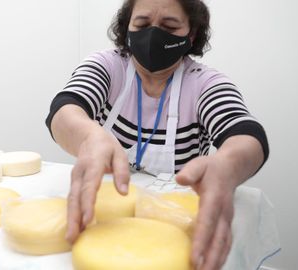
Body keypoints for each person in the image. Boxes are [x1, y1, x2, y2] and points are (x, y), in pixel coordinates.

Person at [45, 0, 269, 269]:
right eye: (141, 24)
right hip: (105, 220)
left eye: (169, 26)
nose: (153, 34)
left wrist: (227, 166)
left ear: (191, 34)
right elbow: (64, 110)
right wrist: (89, 137)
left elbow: (246, 134)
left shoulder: (205, 83)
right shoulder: (107, 66)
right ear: (127, 27)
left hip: (172, 227)